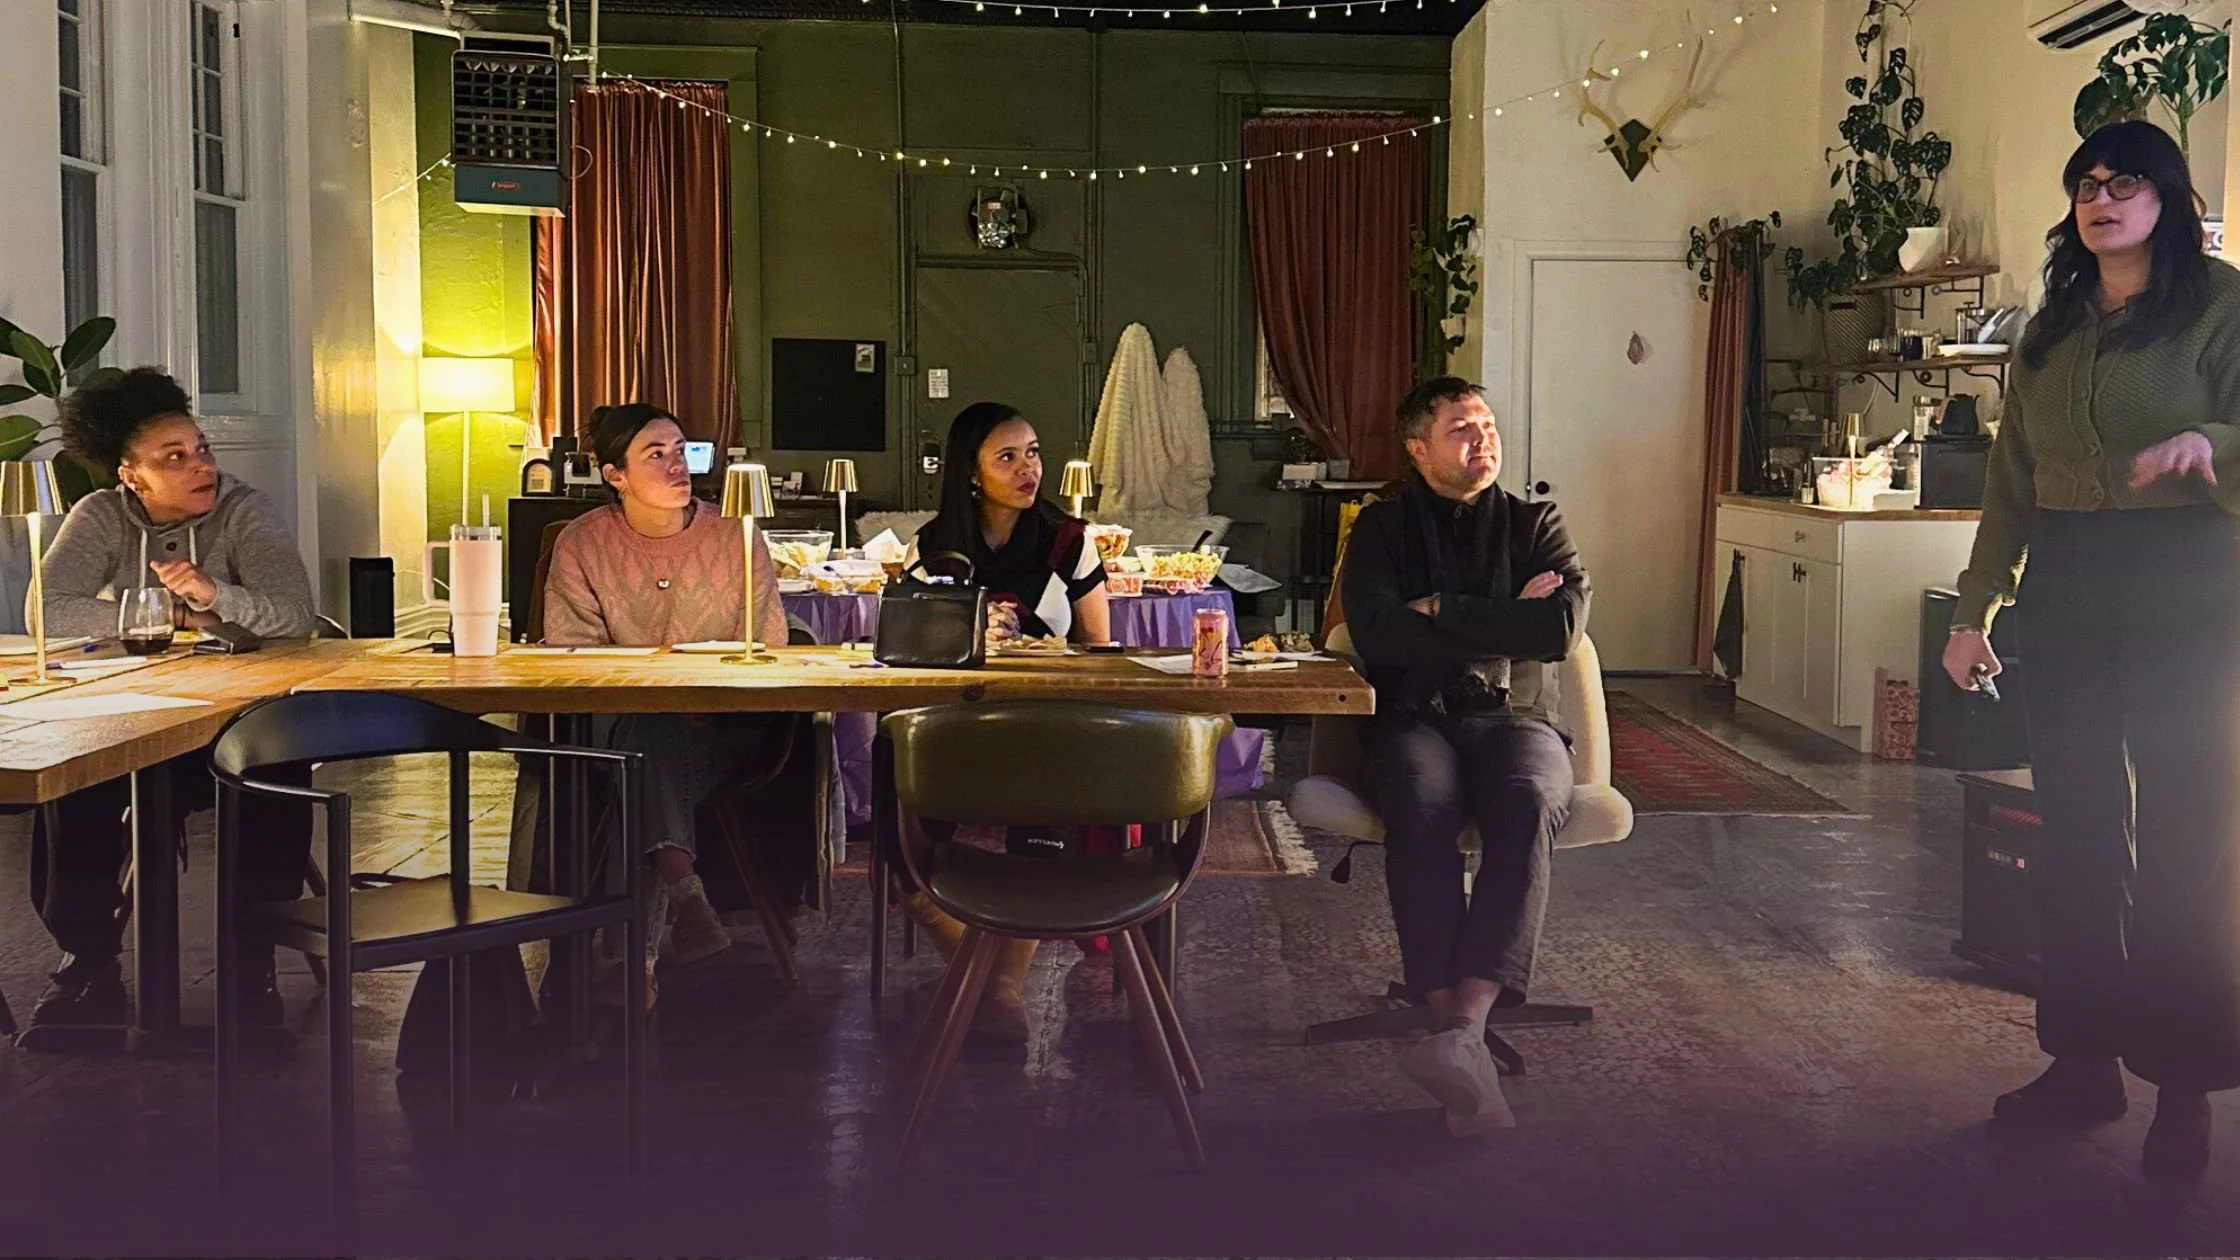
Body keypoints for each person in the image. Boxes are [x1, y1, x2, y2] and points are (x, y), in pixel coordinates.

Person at [1944, 119, 2240, 1183]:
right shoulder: (2051, 324)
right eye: (2084, 182)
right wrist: (1973, 605)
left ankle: (2183, 1089)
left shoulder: (2219, 307)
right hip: (2065, 582)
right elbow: (2008, 480)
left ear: (2166, 195)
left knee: (2183, 840)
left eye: (2121, 181)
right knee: (2069, 830)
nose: (2098, 196)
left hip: (2186, 584)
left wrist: (2212, 444)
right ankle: (2080, 1065)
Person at [27, 367, 316, 1028]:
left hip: (231, 722)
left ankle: (253, 966)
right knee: (73, 779)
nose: (199, 467)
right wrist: (160, 617)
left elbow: (295, 613)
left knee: (274, 768)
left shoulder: (245, 510)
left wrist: (216, 597)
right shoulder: (99, 515)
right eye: (174, 458)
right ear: (131, 475)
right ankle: (88, 961)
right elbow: (48, 610)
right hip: (135, 716)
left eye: (201, 449)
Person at [1338, 377, 1588, 1137]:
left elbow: (1560, 629)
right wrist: (1507, 613)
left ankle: (1462, 1029)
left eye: (1487, 427)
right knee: (1421, 800)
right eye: (1460, 430)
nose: (1483, 442)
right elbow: (1377, 636)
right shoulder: (1379, 529)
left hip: (1511, 717)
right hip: (1412, 717)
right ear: (1418, 449)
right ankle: (1458, 1034)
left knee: (1531, 798)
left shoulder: (1533, 521)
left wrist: (1441, 608)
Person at [542, 403, 789, 994]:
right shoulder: (582, 544)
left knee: (642, 765)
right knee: (648, 746)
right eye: (656, 455)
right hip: (625, 722)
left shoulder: (737, 535)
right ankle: (680, 903)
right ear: (614, 476)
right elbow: (572, 655)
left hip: (725, 725)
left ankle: (639, 966)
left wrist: (718, 695)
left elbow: (772, 642)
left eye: (682, 451)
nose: (679, 465)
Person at [898, 401, 1112, 1042]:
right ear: (971, 472)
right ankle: (976, 962)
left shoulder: (1069, 542)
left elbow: (1100, 650)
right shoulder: (935, 547)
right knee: (896, 769)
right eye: (1008, 457)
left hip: (1045, 720)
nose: (1029, 470)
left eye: (1034, 452)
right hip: (958, 720)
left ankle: (1004, 984)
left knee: (1043, 785)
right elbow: (913, 647)